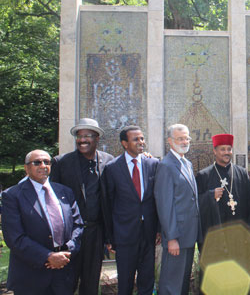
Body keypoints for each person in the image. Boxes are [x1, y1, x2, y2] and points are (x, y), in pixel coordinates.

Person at [2, 149, 84, 294]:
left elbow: (78, 224)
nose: (43, 165)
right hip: (31, 274)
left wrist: (68, 251)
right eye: (37, 162)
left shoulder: (65, 192)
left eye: (47, 162)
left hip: (63, 271)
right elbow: (15, 238)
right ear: (27, 168)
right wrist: (47, 257)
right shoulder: (12, 196)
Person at [49, 117, 113, 295]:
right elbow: (53, 201)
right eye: (79, 136)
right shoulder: (61, 162)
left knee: (91, 282)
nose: (83, 139)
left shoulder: (109, 161)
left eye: (88, 136)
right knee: (66, 281)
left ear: (97, 138)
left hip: (96, 233)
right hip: (70, 234)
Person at [101, 126, 159, 295]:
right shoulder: (112, 168)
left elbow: (157, 199)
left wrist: (158, 229)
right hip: (124, 234)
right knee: (125, 282)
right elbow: (108, 203)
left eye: (142, 138)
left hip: (148, 234)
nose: (141, 142)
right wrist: (110, 237)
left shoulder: (153, 164)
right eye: (136, 139)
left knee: (147, 280)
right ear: (125, 143)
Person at [154, 124, 201, 295]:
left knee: (182, 285)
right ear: (170, 141)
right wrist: (172, 238)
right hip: (177, 238)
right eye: (180, 138)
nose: (185, 141)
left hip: (189, 236)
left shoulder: (186, 163)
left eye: (187, 138)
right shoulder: (166, 166)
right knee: (171, 285)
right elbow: (165, 205)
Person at [196, 133, 250, 242]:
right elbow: (196, 204)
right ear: (215, 151)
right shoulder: (204, 175)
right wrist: (210, 195)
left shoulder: (242, 173)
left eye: (229, 149)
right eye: (222, 149)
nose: (226, 152)